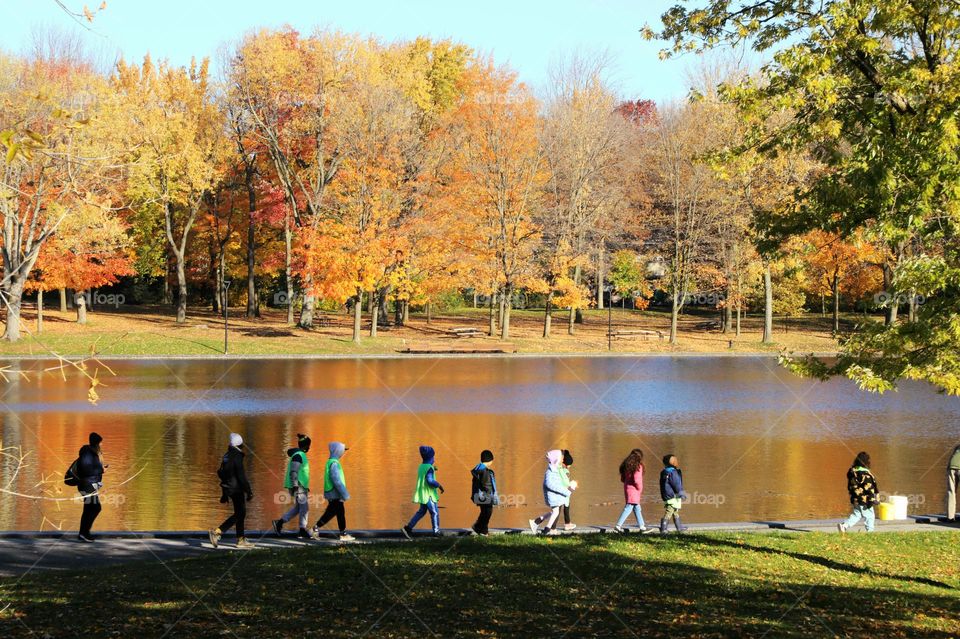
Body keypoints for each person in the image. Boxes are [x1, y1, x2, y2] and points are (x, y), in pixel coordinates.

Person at [209, 433, 254, 549]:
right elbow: (241, 475)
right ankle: (217, 532)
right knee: (240, 513)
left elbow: (221, 473)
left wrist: (224, 493)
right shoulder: (237, 456)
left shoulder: (227, 455)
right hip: (236, 488)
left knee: (240, 513)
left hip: (229, 488)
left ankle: (240, 539)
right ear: (240, 445)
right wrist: (248, 491)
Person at [273, 434, 315, 539]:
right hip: (298, 486)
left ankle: (279, 522)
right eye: (309, 445)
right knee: (304, 508)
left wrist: (305, 486)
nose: (309, 447)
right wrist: (296, 485)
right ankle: (302, 530)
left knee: (298, 508)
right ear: (305, 446)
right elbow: (294, 471)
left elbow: (301, 472)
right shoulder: (298, 456)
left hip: (301, 486)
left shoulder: (299, 455)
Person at [312, 441, 355, 542]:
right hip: (334, 493)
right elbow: (336, 479)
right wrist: (345, 494)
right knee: (334, 512)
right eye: (342, 451)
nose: (343, 453)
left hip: (333, 493)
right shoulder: (334, 463)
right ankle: (342, 534)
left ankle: (318, 528)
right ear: (337, 451)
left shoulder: (331, 462)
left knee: (335, 512)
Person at [529, 449, 576, 535]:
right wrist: (566, 491)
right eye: (561, 459)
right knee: (555, 512)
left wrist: (568, 488)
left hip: (555, 496)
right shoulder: (550, 472)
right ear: (557, 460)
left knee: (554, 512)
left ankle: (536, 522)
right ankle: (547, 530)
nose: (562, 460)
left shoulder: (554, 470)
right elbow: (549, 484)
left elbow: (558, 483)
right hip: (552, 496)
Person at [402, 445, 444, 538]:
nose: (434, 459)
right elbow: (430, 481)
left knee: (421, 512)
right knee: (434, 512)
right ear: (430, 458)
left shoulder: (422, 466)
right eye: (433, 457)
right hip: (429, 495)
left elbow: (426, 472)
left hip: (423, 495)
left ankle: (408, 528)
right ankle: (436, 531)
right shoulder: (429, 468)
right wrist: (439, 485)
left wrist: (433, 468)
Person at [838, 451, 880, 533]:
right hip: (865, 500)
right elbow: (870, 488)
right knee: (870, 516)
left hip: (855, 498)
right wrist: (873, 499)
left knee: (856, 514)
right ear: (867, 462)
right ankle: (870, 531)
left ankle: (844, 526)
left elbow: (851, 486)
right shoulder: (866, 475)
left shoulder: (853, 473)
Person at [77, 432, 106, 542]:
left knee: (89, 509)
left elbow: (91, 467)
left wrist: (101, 470)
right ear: (96, 443)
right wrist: (101, 470)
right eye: (100, 443)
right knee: (96, 508)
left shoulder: (93, 453)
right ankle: (84, 533)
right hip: (87, 485)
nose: (101, 445)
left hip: (90, 484)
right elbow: (86, 468)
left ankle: (83, 533)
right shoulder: (88, 453)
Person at [613, 448, 651, 533]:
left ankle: (642, 527)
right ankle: (618, 526)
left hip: (627, 488)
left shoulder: (626, 465)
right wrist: (639, 488)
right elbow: (637, 480)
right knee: (629, 507)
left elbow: (623, 479)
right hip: (635, 490)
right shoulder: (638, 466)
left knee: (637, 507)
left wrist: (627, 482)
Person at [471, 450, 499, 536]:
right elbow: (487, 485)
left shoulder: (478, 469)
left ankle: (482, 529)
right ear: (490, 460)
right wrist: (491, 496)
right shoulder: (485, 471)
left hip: (478, 495)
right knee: (487, 513)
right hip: (486, 496)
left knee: (484, 512)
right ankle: (481, 529)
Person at [659, 454, 688, 534]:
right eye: (675, 461)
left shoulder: (664, 472)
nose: (677, 462)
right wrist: (681, 494)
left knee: (675, 511)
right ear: (673, 463)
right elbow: (677, 485)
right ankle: (663, 529)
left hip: (666, 494)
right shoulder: (673, 473)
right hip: (672, 496)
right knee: (669, 511)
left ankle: (679, 528)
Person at [558, 449, 577, 530]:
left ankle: (566, 523)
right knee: (562, 508)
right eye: (569, 465)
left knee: (562, 507)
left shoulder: (561, 469)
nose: (570, 467)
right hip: (563, 491)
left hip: (562, 491)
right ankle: (566, 524)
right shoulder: (562, 470)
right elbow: (565, 481)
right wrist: (571, 485)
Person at [947, 444, 960, 521]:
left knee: (951, 492)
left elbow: (952, 456)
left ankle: (950, 517)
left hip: (951, 467)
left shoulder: (957, 446)